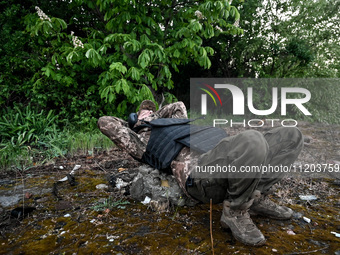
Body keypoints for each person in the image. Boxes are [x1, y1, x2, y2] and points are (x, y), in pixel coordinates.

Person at [98, 100, 303, 246]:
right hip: (200, 177)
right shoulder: (139, 140)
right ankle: (234, 212)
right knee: (252, 140)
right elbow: (105, 122)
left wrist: (155, 115)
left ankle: (254, 195)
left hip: (222, 156)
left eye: (151, 111)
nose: (148, 113)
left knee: (292, 135)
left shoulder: (177, 121)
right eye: (143, 113)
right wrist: (138, 122)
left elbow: (178, 105)